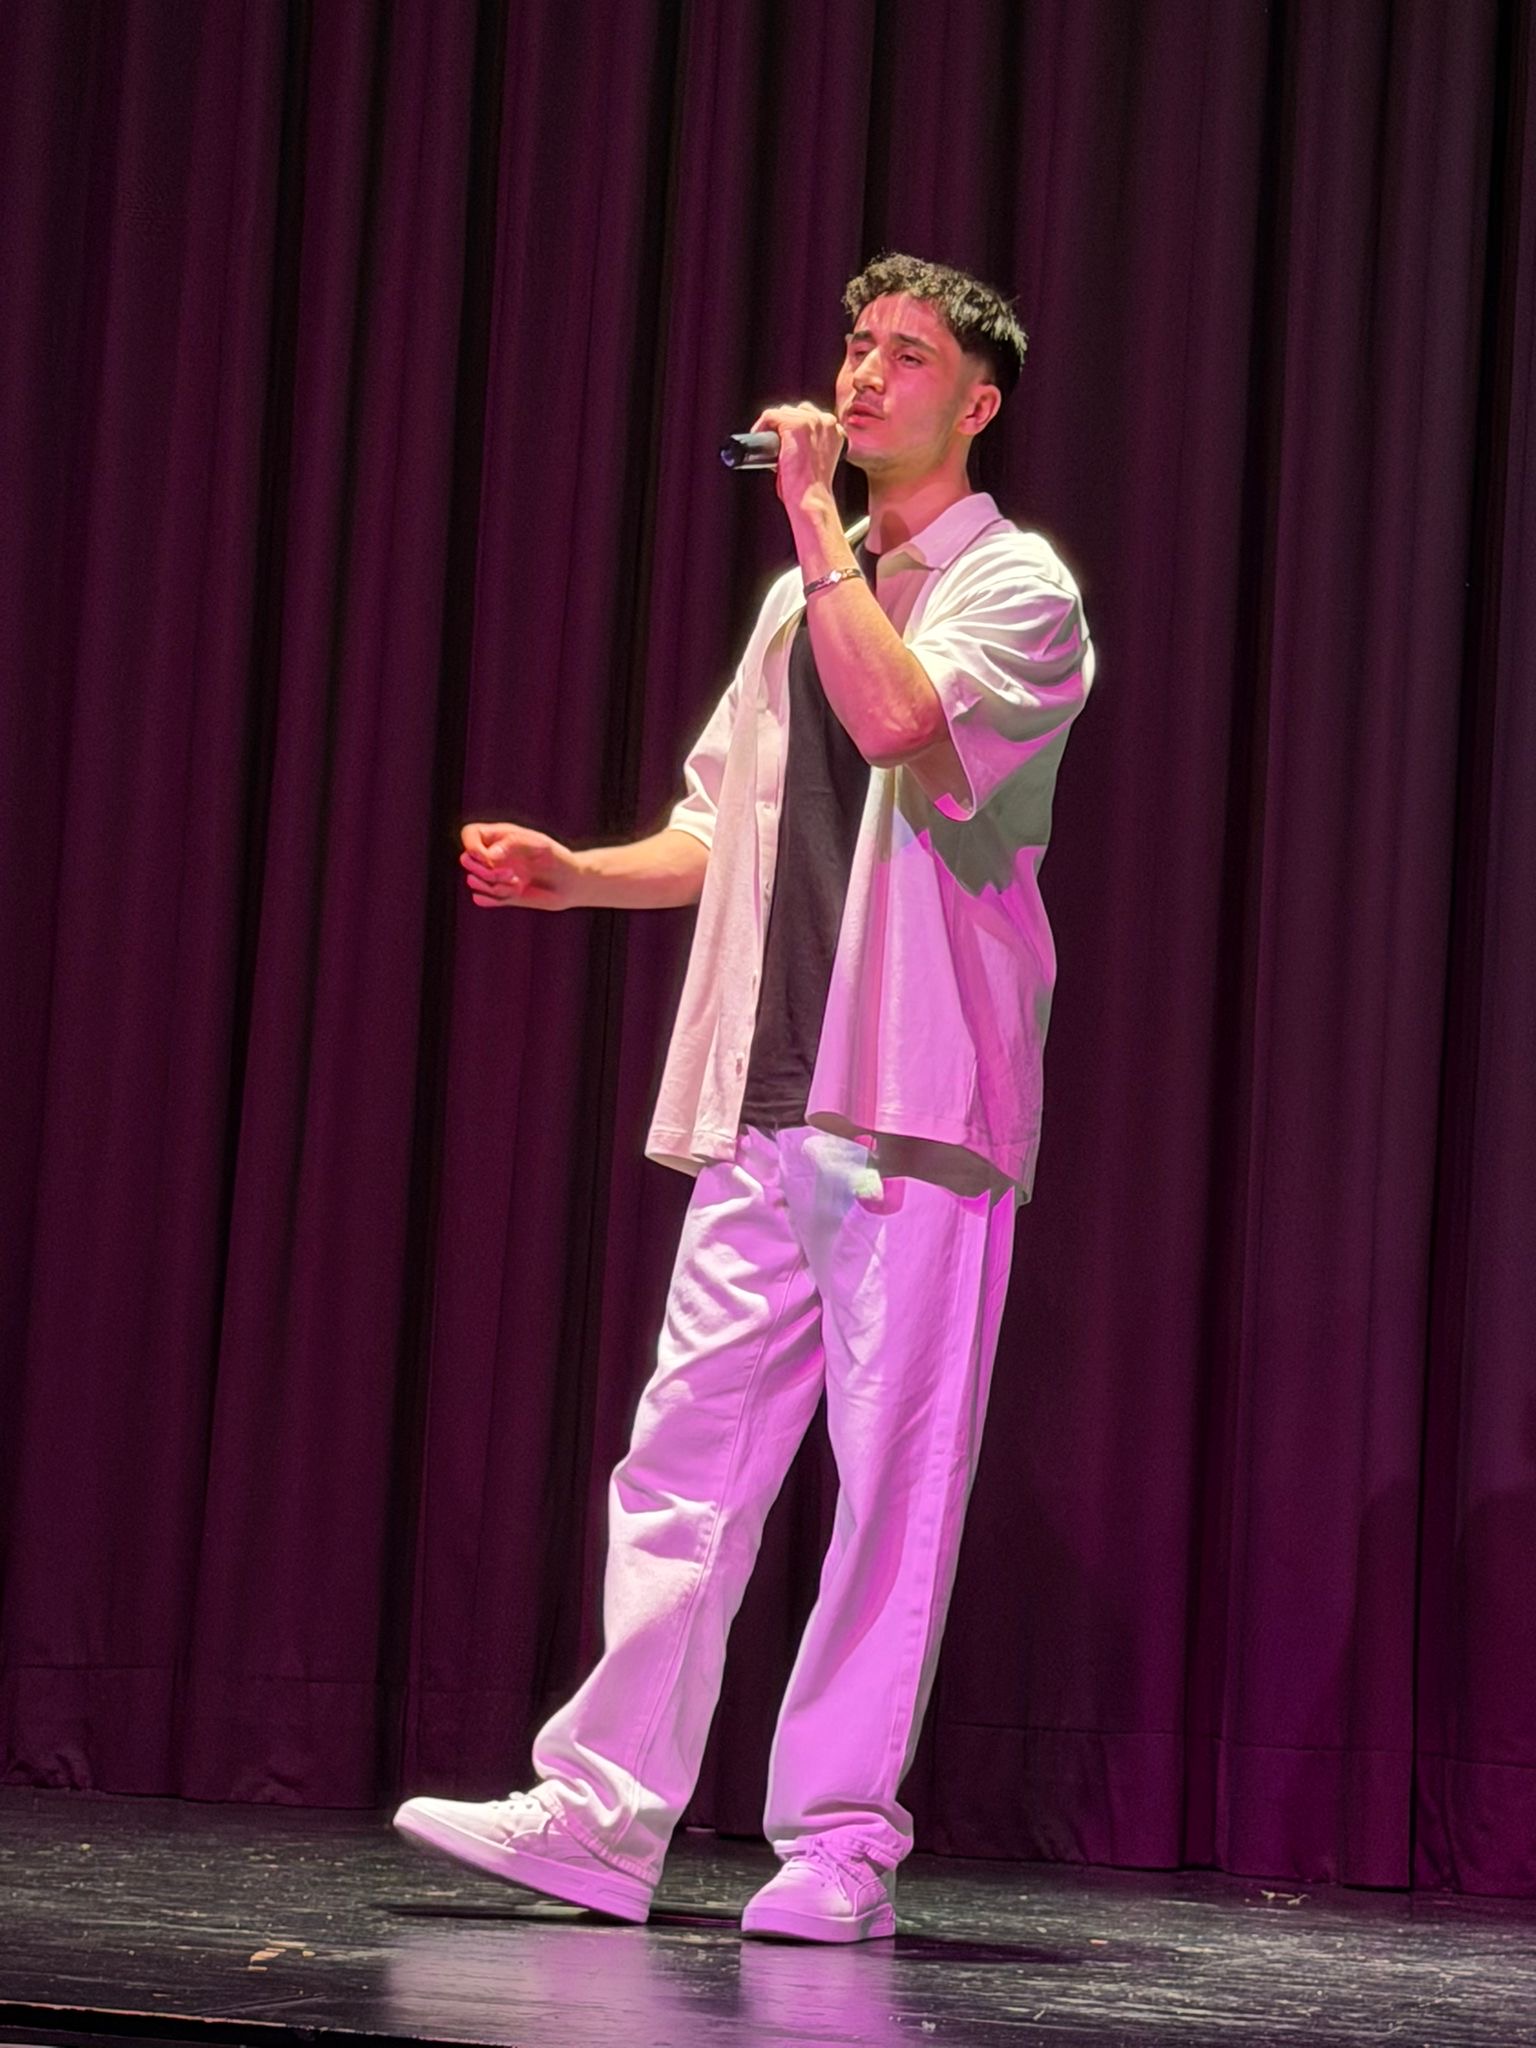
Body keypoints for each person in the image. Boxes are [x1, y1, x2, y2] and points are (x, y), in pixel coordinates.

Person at [395, 253, 1096, 1943]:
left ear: (978, 403)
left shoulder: (1016, 587)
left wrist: (815, 533)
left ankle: (839, 1844)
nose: (862, 375)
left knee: (889, 1493)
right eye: (856, 345)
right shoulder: (806, 597)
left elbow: (902, 721)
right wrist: (579, 874)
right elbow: (725, 828)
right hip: (764, 1106)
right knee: (681, 1464)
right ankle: (600, 1814)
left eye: (906, 355)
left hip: (914, 1113)